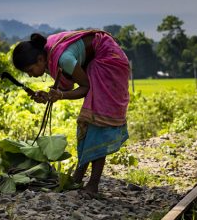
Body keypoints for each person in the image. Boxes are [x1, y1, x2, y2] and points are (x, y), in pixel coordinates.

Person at [11, 30, 130, 196]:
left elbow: (84, 87)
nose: (30, 75)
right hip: (96, 64)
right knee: (87, 124)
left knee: (97, 124)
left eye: (30, 70)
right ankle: (78, 178)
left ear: (40, 59)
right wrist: (47, 95)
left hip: (108, 63)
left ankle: (93, 185)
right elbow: (64, 84)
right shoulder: (49, 55)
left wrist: (60, 96)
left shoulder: (63, 58)